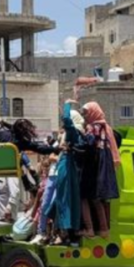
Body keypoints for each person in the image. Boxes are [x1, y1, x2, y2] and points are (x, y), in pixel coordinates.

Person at [45, 101, 85, 245]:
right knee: (65, 199)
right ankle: (63, 231)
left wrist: (67, 105)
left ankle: (62, 232)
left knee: (63, 199)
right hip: (70, 167)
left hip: (66, 167)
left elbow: (67, 120)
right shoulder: (78, 134)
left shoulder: (73, 132)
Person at [79, 102, 120, 238]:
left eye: (86, 113)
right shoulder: (106, 127)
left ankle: (90, 228)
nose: (85, 116)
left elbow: (88, 145)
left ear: (93, 112)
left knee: (87, 196)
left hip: (95, 164)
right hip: (106, 164)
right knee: (99, 198)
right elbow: (113, 146)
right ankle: (104, 229)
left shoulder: (92, 128)